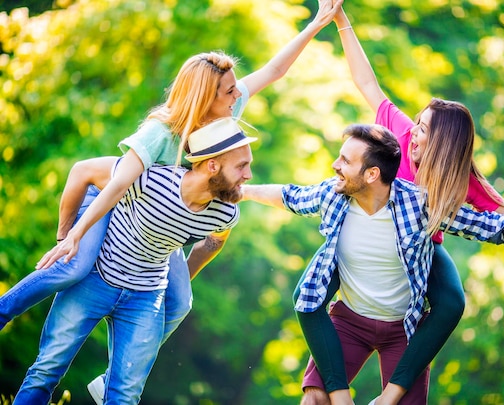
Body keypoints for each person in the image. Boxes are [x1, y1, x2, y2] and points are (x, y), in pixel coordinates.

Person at [0, 0, 343, 402]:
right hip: (114, 202)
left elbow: (274, 70)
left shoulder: (225, 125)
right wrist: (72, 232)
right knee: (72, 269)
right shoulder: (163, 133)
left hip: (168, 225)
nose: (238, 94)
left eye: (235, 89)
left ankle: (113, 375)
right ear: (205, 97)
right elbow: (109, 182)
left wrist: (318, 22)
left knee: (179, 302)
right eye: (229, 91)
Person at [296, 7, 504, 405]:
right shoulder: (399, 137)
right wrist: (341, 19)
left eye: (423, 129)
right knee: (318, 290)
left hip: (418, 251)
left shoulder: (462, 183)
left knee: (451, 300)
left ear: (443, 145)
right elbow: (367, 81)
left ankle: (394, 389)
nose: (412, 133)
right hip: (363, 242)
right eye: (415, 123)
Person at [242, 123, 504, 405]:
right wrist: (240, 190)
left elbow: (493, 226)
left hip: (401, 331)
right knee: (315, 399)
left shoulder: (419, 205)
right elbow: (289, 195)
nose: (334, 165)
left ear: (372, 174)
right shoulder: (333, 195)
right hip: (349, 323)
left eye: (345, 160)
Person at [12, 117, 256, 404]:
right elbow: (84, 172)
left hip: (144, 300)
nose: (249, 175)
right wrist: (66, 236)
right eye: (241, 166)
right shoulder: (150, 179)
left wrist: (183, 277)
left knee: (124, 397)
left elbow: (214, 242)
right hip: (94, 281)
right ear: (212, 166)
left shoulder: (225, 213)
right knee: (46, 372)